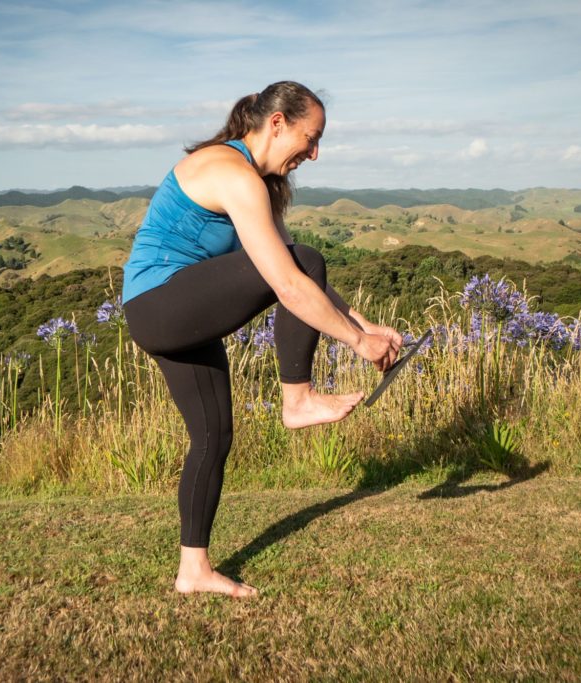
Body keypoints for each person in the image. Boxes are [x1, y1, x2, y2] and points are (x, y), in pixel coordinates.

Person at [122, 81, 402, 598]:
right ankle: (295, 399)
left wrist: (364, 327)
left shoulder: (254, 182)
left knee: (213, 437)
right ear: (277, 124)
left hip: (172, 310)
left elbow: (301, 277)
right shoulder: (232, 173)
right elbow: (291, 282)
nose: (314, 154)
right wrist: (357, 346)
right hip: (162, 303)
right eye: (310, 138)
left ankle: (194, 571)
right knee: (306, 262)